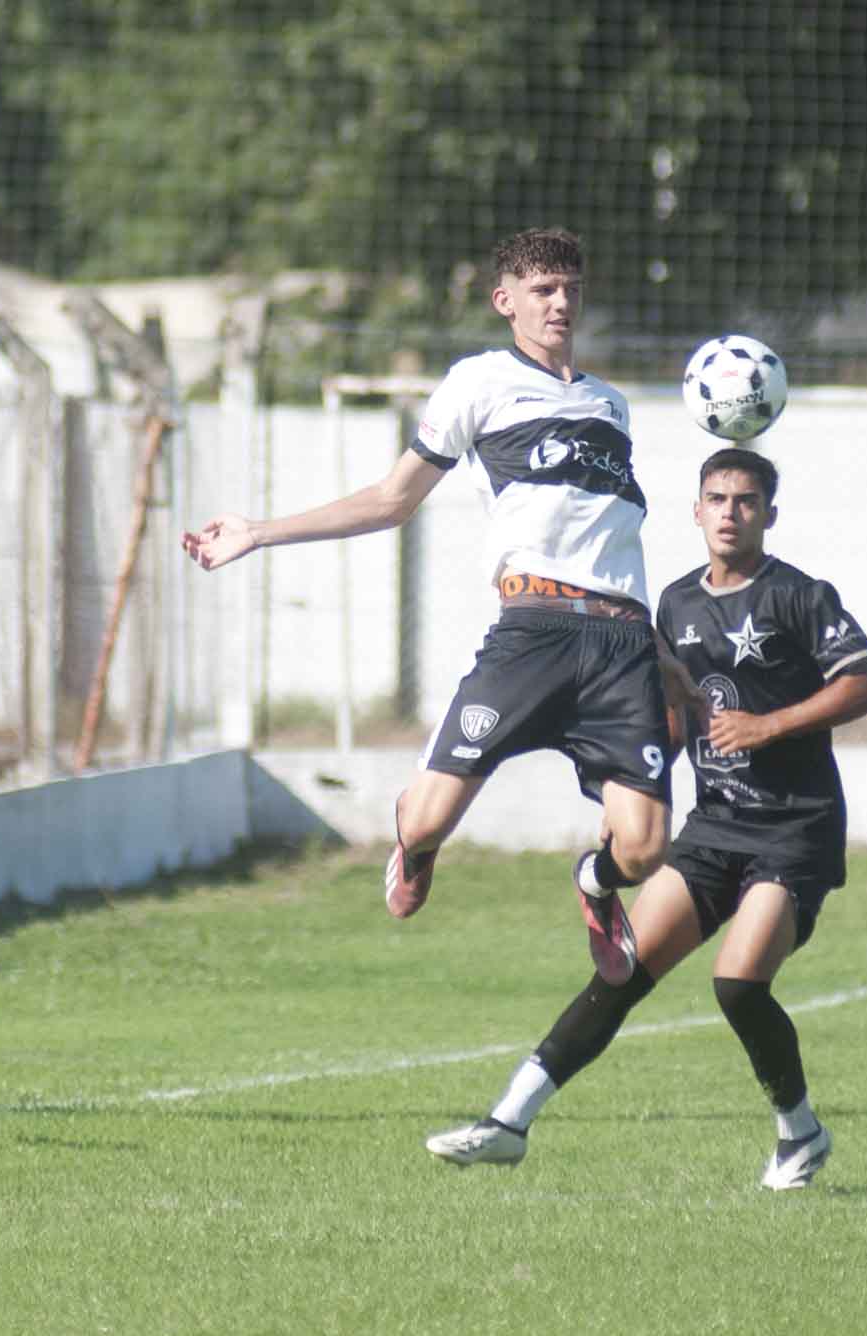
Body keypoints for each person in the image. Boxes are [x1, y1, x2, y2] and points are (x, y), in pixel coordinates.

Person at [182, 226, 680, 986]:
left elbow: (610, 540)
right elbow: (391, 499)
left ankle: (594, 882)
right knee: (425, 816)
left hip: (620, 644)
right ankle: (414, 849)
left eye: (571, 289)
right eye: (543, 290)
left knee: (645, 848)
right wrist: (259, 532)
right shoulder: (479, 382)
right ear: (504, 300)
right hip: (533, 633)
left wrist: (661, 654)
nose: (560, 303)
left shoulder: (610, 406)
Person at [423, 447, 867, 1187]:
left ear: (769, 513)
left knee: (738, 982)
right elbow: (672, 722)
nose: (730, 513)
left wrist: (770, 727)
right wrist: (630, 797)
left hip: (794, 830)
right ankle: (507, 1122)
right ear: (696, 511)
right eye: (717, 499)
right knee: (623, 971)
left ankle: (798, 1133)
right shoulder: (671, 605)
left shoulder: (801, 596)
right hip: (713, 826)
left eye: (745, 501)